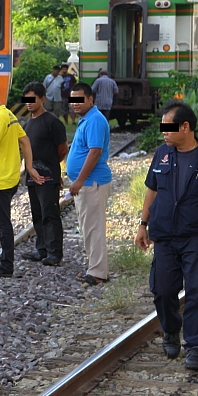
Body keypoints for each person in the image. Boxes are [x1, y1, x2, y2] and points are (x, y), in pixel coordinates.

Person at [135, 101, 198, 371]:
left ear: (185, 127)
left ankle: (194, 347)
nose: (164, 133)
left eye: (168, 127)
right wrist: (142, 224)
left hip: (196, 236)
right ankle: (170, 331)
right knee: (163, 289)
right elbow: (152, 190)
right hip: (165, 236)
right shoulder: (162, 154)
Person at [0, 81, 43, 277]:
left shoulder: (0, 117)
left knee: (1, 222)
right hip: (6, 178)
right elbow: (25, 141)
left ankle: (6, 265)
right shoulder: (8, 114)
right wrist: (28, 167)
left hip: (0, 179)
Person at [66, 82, 112, 285]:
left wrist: (80, 180)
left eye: (79, 99)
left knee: (93, 227)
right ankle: (94, 267)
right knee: (88, 226)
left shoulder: (94, 120)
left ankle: (98, 272)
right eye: (72, 100)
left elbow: (95, 152)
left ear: (90, 99)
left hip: (92, 182)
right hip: (89, 183)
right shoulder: (87, 119)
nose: (75, 104)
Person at [20, 82, 68, 266]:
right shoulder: (28, 124)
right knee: (37, 213)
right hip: (32, 177)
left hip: (48, 177)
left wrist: (52, 167)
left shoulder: (52, 122)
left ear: (42, 98)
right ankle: (41, 249)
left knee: (50, 213)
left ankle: (55, 252)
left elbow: (62, 148)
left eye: (33, 99)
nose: (29, 103)